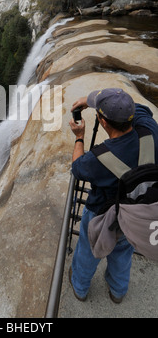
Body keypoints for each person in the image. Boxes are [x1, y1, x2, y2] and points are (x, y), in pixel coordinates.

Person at [68, 88, 158, 303]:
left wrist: (79, 138)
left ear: (103, 122)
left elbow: (77, 168)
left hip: (101, 214)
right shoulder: (150, 129)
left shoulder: (97, 159)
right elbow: (141, 109)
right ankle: (118, 291)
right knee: (122, 252)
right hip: (137, 213)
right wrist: (92, 101)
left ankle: (80, 287)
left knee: (89, 250)